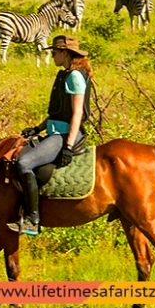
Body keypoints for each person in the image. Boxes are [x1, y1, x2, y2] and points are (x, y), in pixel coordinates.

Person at [8, 35, 93, 235]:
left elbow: (77, 114)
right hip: (54, 132)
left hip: (64, 135)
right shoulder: (64, 74)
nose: (52, 55)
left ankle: (32, 219)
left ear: (65, 53)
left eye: (55, 52)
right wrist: (38, 129)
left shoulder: (74, 76)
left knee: (24, 163)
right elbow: (57, 113)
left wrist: (69, 145)